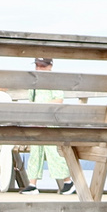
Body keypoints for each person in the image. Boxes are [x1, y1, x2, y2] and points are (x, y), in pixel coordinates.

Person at [22, 59, 72, 194]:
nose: (39, 68)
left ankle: (68, 181)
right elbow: (31, 100)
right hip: (36, 121)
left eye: (42, 66)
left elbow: (59, 99)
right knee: (35, 152)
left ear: (50, 66)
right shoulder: (34, 82)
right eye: (37, 65)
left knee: (53, 152)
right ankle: (32, 184)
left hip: (50, 121)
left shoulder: (54, 81)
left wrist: (42, 108)